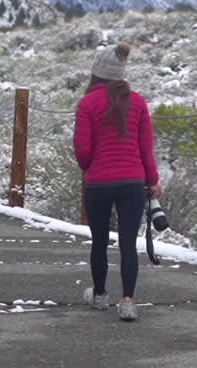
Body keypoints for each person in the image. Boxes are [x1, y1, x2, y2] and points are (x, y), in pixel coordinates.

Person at [73, 41, 162, 322]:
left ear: (96, 73)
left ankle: (100, 295)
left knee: (99, 241)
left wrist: (91, 168)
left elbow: (82, 150)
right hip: (132, 182)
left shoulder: (87, 103)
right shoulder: (138, 102)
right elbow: (145, 149)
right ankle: (128, 302)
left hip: (98, 183)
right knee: (127, 243)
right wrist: (153, 181)